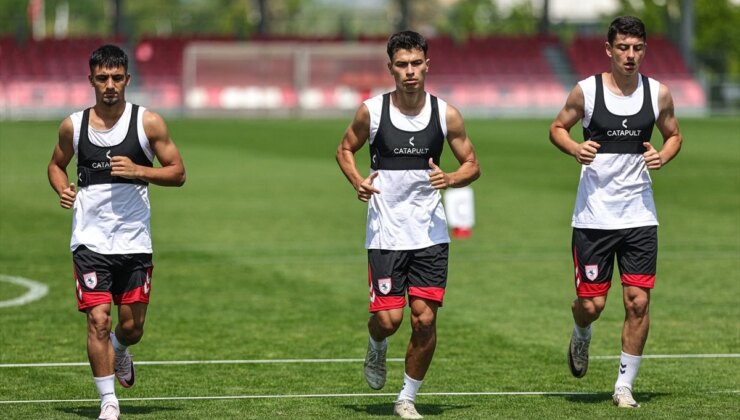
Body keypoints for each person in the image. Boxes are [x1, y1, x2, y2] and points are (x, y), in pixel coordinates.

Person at [336, 30, 480, 419]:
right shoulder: (373, 111)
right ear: (391, 68)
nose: (410, 71)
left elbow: (472, 164)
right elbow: (345, 148)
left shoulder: (445, 113)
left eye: (417, 63)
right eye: (402, 65)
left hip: (430, 233)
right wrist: (357, 180)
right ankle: (377, 345)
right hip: (385, 230)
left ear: (427, 65)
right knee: (388, 319)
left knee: (424, 319)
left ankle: (407, 397)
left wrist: (450, 179)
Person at [549, 16, 682, 408]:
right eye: (623, 47)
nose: (630, 55)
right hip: (593, 218)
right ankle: (581, 331)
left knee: (638, 302)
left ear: (644, 50)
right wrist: (575, 147)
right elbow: (557, 128)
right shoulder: (586, 92)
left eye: (637, 48)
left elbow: (674, 134)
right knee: (592, 305)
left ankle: (624, 385)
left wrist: (664, 154)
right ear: (608, 50)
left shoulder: (657, 93)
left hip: (640, 215)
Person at [48, 44, 186, 420]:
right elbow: (57, 165)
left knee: (130, 327)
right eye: (102, 78)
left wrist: (141, 171)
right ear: (91, 79)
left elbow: (178, 173)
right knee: (98, 320)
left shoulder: (148, 123)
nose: (110, 85)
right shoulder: (72, 126)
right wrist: (62, 187)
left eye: (116, 78)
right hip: (89, 241)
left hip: (134, 241)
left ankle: (121, 351)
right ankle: (108, 401)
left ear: (127, 78)